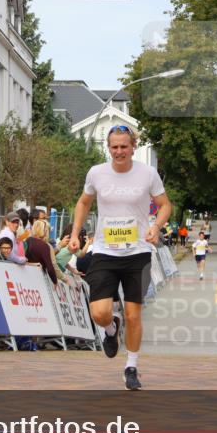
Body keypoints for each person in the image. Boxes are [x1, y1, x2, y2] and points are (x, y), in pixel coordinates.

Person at [68, 124, 171, 391]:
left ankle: (131, 367)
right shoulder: (96, 173)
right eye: (114, 147)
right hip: (105, 251)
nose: (119, 151)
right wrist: (75, 233)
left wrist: (156, 226)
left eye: (124, 146)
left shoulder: (148, 174)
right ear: (108, 148)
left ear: (133, 147)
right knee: (99, 313)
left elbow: (165, 205)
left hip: (138, 253)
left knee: (133, 315)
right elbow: (83, 202)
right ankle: (111, 328)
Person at [25, 219, 63, 285]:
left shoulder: (27, 240)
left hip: (25, 274)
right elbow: (50, 267)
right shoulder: (44, 246)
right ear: (45, 231)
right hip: (38, 278)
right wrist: (55, 281)